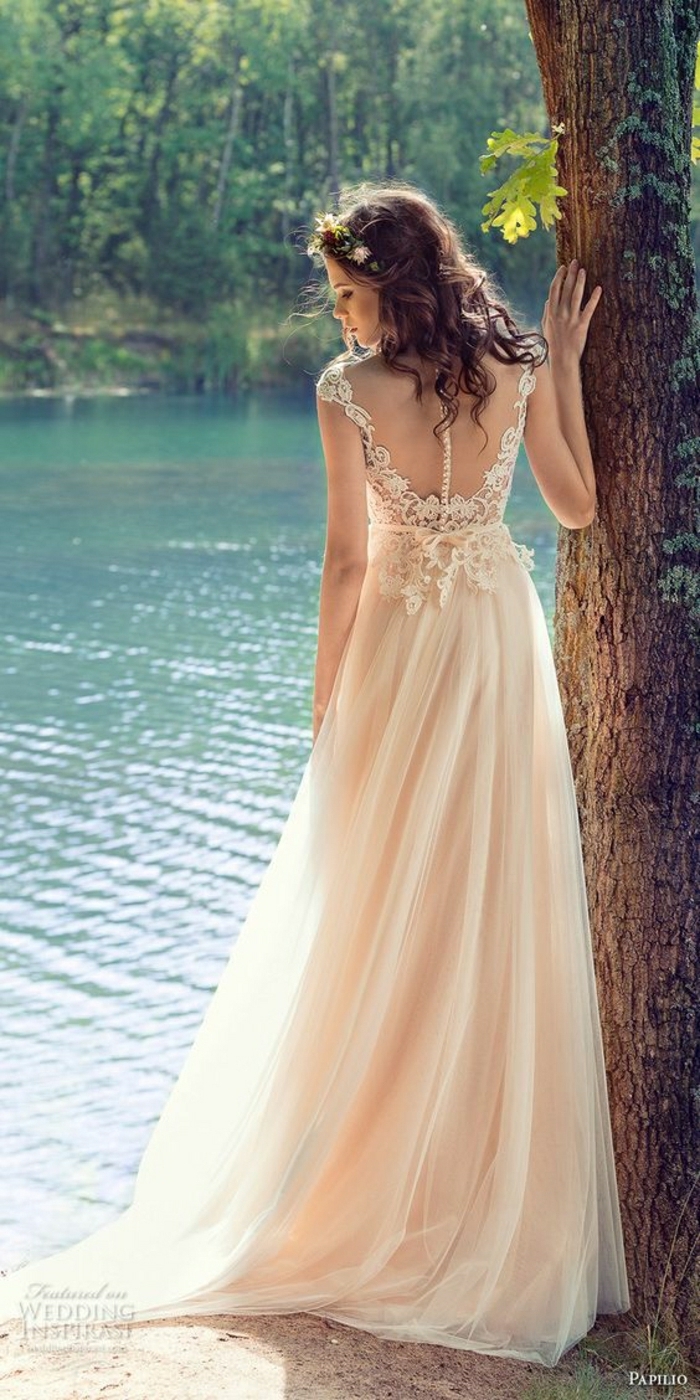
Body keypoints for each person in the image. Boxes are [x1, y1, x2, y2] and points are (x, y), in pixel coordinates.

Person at [0, 181, 630, 1369]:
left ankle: (364, 1169)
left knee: (373, 903)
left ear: (390, 286)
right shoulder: (518, 362)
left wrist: (322, 693)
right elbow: (581, 508)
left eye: (346, 293)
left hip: (399, 644)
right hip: (494, 638)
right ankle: (460, 1180)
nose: (338, 317)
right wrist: (567, 372)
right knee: (488, 899)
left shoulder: (350, 392)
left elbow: (348, 558)